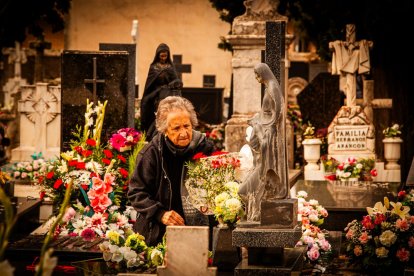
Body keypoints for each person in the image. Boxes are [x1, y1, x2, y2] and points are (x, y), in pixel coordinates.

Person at [128, 96, 214, 246]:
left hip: (200, 229)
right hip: (159, 232)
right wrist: (160, 214)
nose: (183, 133)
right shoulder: (152, 153)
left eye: (186, 126)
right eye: (176, 128)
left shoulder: (205, 147)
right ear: (164, 130)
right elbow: (136, 192)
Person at [238, 63, 288, 221]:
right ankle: (256, 204)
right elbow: (267, 111)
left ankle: (266, 191)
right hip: (265, 127)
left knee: (263, 166)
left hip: (268, 131)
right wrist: (258, 119)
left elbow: (278, 111)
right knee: (258, 166)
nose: (256, 77)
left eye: (257, 74)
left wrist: (264, 125)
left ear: (263, 73)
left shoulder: (272, 87)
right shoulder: (269, 87)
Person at [140, 43, 182, 141]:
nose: (163, 58)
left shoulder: (170, 67)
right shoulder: (154, 67)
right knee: (156, 113)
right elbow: (149, 84)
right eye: (161, 56)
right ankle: (152, 133)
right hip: (156, 96)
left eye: (165, 56)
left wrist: (175, 83)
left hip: (167, 95)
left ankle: (166, 132)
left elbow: (175, 80)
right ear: (158, 55)